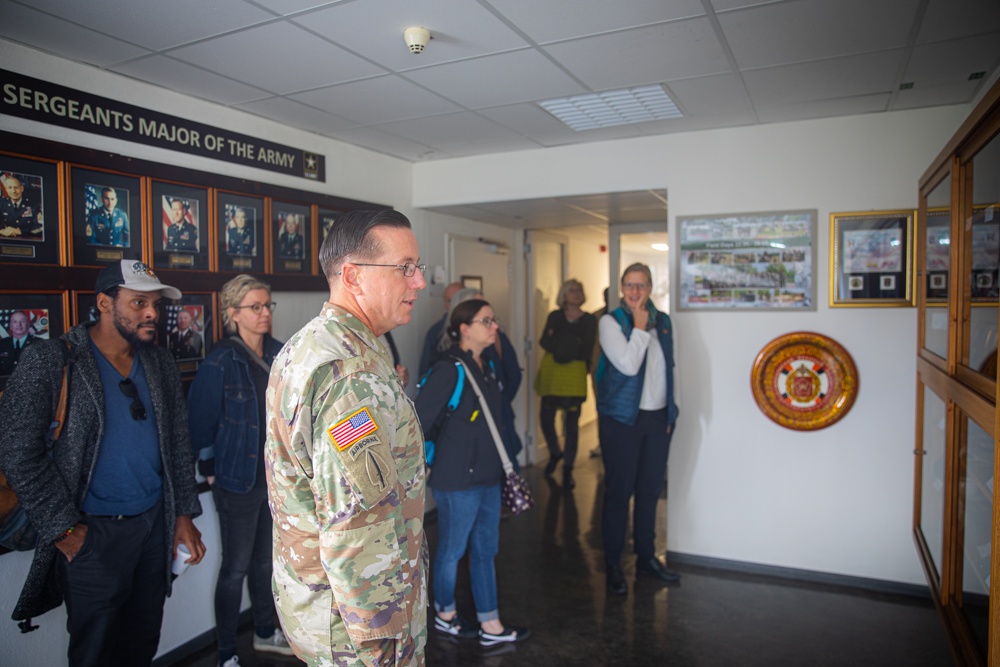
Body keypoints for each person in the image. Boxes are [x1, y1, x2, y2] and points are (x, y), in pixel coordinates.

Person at [0, 259, 205, 665]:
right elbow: (18, 452)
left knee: (142, 640)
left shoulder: (158, 362)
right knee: (94, 650)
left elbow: (178, 443)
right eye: (139, 303)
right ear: (104, 303)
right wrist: (65, 530)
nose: (151, 313)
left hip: (152, 529)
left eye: (156, 304)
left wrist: (183, 513)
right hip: (92, 533)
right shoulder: (53, 360)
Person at [266, 209, 428, 666]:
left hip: (324, 611)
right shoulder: (348, 374)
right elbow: (358, 525)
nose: (417, 282)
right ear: (353, 276)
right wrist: (384, 644)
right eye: (405, 269)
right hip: (360, 632)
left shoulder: (313, 344)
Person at [415, 299, 531, 647]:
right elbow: (420, 419)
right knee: (452, 549)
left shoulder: (487, 365)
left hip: (488, 477)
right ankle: (445, 613)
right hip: (456, 479)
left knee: (485, 549)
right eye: (487, 321)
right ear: (464, 328)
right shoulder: (449, 370)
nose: (494, 327)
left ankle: (490, 622)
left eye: (494, 320)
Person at [187, 275, 290, 667]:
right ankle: (227, 653)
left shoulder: (282, 353)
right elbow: (200, 424)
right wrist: (212, 470)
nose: (265, 313)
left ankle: (265, 632)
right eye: (255, 307)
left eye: (267, 306)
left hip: (276, 480)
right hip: (238, 480)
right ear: (233, 314)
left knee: (266, 563)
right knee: (235, 568)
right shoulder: (220, 362)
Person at [597, 263, 680, 596]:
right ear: (621, 287)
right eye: (628, 285)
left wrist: (671, 409)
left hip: (658, 419)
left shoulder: (665, 322)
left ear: (650, 287)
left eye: (641, 285)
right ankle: (613, 564)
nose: (634, 292)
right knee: (619, 493)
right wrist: (641, 328)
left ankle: (647, 558)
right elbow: (628, 365)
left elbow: (668, 368)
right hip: (621, 420)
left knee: (649, 492)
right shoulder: (610, 322)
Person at [535, 279, 597, 490]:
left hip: (575, 373)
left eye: (579, 290)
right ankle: (555, 451)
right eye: (571, 290)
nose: (576, 294)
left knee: (572, 424)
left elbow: (586, 348)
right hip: (553, 372)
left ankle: (568, 468)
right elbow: (544, 341)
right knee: (546, 416)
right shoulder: (555, 316)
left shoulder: (588, 320)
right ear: (563, 295)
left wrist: (562, 345)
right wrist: (570, 344)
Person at [418, 281, 462, 378]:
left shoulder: (481, 329)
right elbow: (424, 372)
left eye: (458, 300)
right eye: (450, 301)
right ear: (444, 302)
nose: (454, 305)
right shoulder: (436, 332)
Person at [0, 174, 43, 240]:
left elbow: (41, 228)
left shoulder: (33, 204)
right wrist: (1, 231)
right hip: (6, 242)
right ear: (6, 189)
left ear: (21, 188)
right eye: (10, 188)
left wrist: (20, 231)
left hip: (28, 242)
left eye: (16, 187)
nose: (13, 191)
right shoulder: (1, 203)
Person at [0, 310, 41, 375]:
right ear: (10, 326)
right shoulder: (2, 344)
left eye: (22, 321)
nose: (18, 324)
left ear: (28, 324)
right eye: (15, 322)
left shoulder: (39, 344)